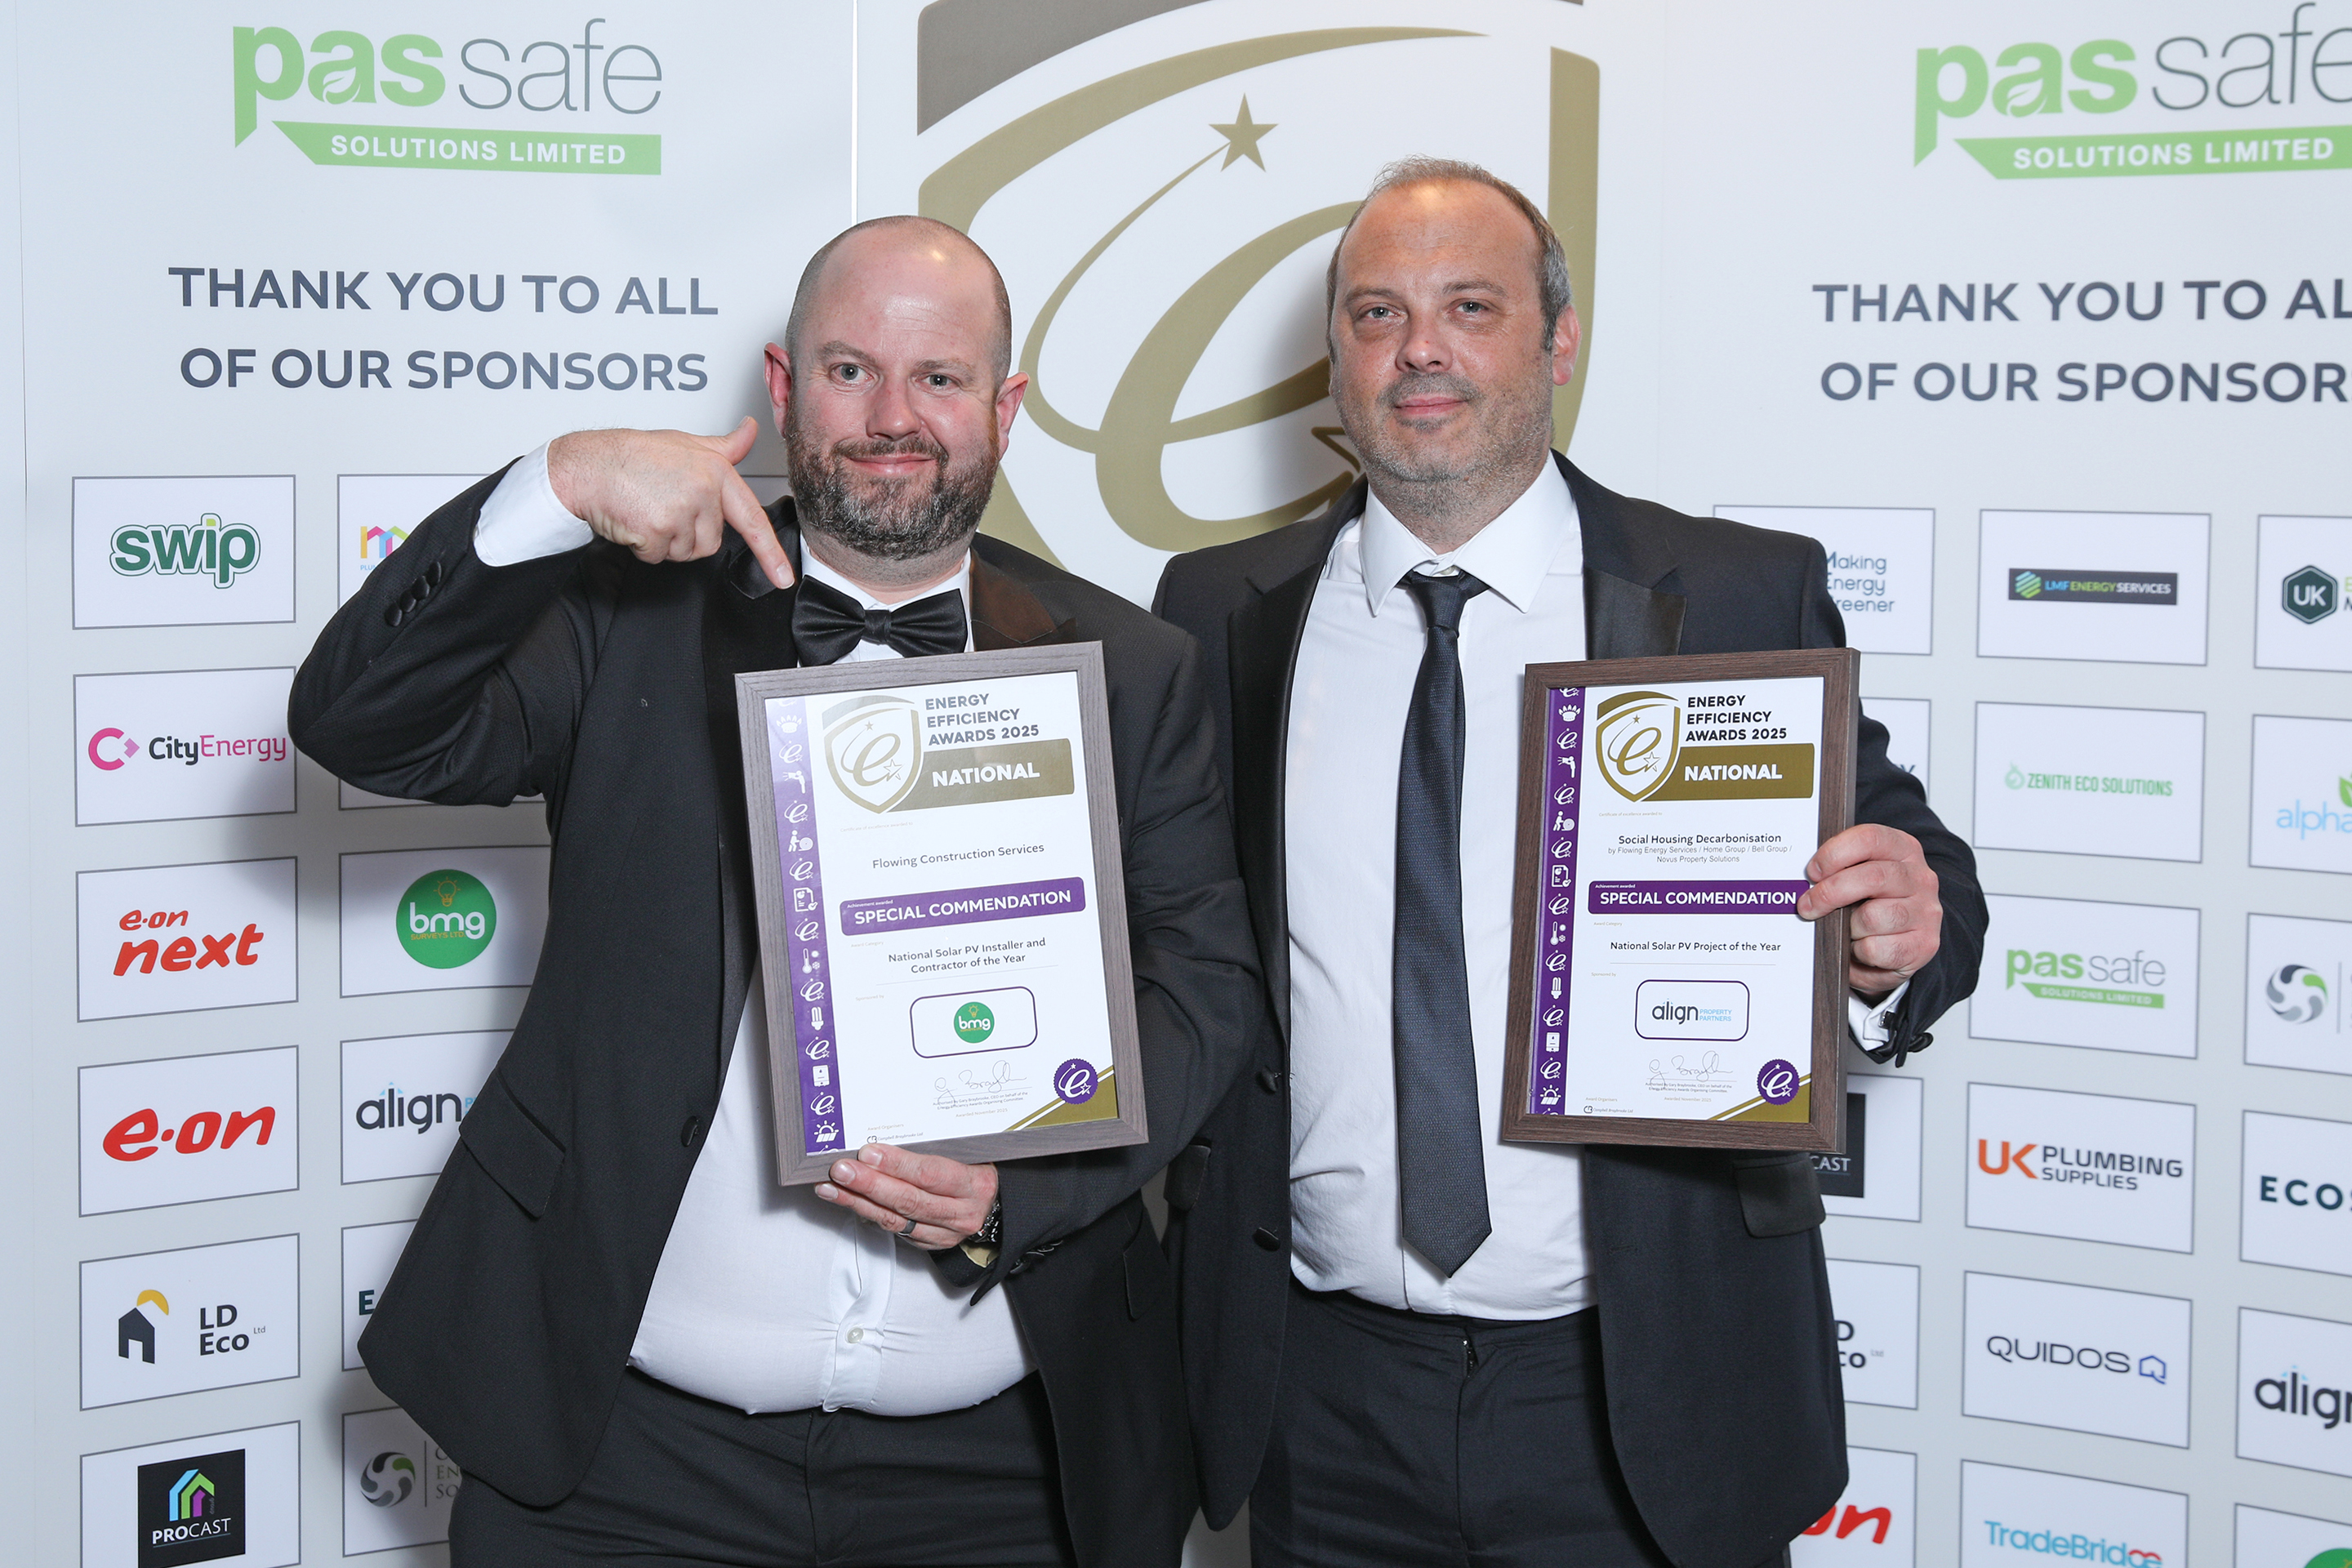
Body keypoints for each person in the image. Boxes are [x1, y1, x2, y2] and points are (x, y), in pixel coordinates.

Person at [292, 216, 1258, 1568]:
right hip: (623, 1466)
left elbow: (1204, 987)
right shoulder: (626, 614)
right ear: (786, 388)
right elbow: (361, 725)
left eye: (939, 377)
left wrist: (1020, 1190)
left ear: (1004, 408)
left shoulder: (1134, 666)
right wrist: (553, 487)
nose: (893, 417)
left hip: (1003, 1474)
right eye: (851, 371)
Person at [1153, 158, 1987, 1568]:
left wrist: (1902, 928)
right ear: (1338, 356)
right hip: (1317, 1396)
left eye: (1469, 306)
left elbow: (1923, 869)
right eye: (1376, 313)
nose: (1419, 349)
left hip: (1643, 1391)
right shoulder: (1223, 608)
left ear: (1559, 341)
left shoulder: (1730, 592)